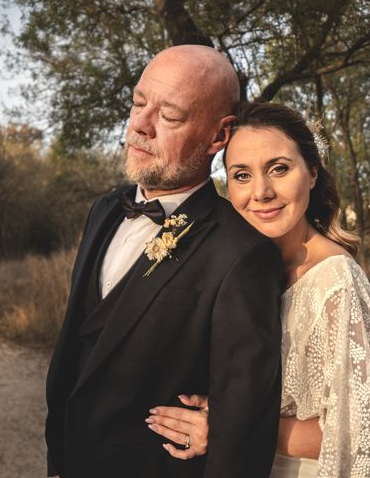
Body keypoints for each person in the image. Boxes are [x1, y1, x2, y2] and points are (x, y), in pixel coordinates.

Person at [44, 45, 284, 478]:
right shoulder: (103, 210)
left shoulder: (245, 255)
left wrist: (222, 428)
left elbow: (243, 429)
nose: (139, 125)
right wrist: (57, 460)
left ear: (218, 136)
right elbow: (74, 351)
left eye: (169, 117)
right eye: (138, 103)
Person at [146, 102, 370, 477]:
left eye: (278, 169)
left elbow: (355, 432)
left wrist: (227, 428)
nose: (261, 192)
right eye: (242, 175)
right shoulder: (238, 269)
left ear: (312, 172)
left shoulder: (334, 281)